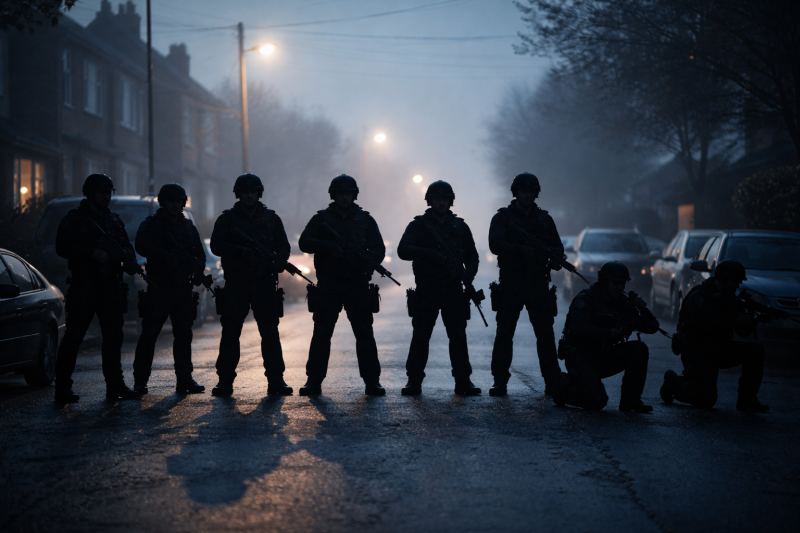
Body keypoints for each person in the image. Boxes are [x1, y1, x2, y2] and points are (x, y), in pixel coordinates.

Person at [53, 174, 143, 403]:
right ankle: (63, 387)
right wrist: (92, 253)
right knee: (74, 337)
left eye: (108, 193)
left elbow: (126, 246)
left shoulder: (113, 220)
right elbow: (62, 247)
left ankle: (115, 385)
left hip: (110, 288)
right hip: (85, 287)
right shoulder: (75, 219)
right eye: (102, 193)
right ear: (90, 194)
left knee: (114, 337)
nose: (106, 197)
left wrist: (129, 262)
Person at [297, 174, 386, 396]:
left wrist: (367, 264)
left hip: (357, 284)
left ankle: (372, 381)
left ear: (353, 195)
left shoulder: (365, 220)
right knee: (322, 333)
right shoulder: (321, 219)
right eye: (340, 194)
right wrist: (327, 246)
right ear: (333, 195)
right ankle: (314, 381)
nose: (344, 197)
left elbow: (378, 249)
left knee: (364, 333)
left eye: (347, 193)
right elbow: (304, 242)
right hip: (329, 284)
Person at [209, 173, 293, 396]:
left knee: (270, 332)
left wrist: (278, 259)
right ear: (238, 194)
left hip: (264, 283)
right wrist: (240, 250)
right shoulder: (227, 219)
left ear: (258, 193)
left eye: (253, 192)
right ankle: (225, 381)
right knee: (230, 332)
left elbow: (284, 246)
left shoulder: (271, 219)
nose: (249, 195)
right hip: (236, 283)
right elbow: (216, 245)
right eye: (245, 192)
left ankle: (276, 380)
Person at [397, 180, 481, 396]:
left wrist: (468, 275)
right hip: (427, 289)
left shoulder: (460, 227)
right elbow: (403, 250)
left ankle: (463, 381)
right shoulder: (418, 226)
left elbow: (472, 256)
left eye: (445, 199)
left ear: (450, 201)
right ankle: (414, 381)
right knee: (421, 335)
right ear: (430, 201)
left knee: (458, 336)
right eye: (437, 199)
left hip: (453, 290)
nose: (441, 203)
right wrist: (427, 253)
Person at [488, 172, 564, 396]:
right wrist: (519, 249)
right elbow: (495, 244)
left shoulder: (544, 219)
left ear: (536, 193)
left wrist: (556, 258)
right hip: (512, 282)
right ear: (516, 192)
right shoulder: (503, 218)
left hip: (538, 281)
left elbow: (557, 246)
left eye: (531, 191)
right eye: (523, 191)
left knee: (545, 334)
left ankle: (552, 381)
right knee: (504, 333)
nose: (527, 195)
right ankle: (500, 380)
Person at [660, 259, 768, 412]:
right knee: (706, 398)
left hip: (718, 349)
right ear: (723, 279)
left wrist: (752, 319)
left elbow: (742, 333)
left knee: (755, 350)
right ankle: (673, 382)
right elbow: (705, 325)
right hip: (697, 352)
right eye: (734, 281)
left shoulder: (729, 298)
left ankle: (747, 399)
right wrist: (734, 320)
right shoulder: (701, 296)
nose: (737, 286)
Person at [551, 262, 659, 412]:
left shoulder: (621, 303)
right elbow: (579, 329)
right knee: (597, 400)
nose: (620, 288)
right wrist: (608, 333)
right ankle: (562, 387)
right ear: (604, 281)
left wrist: (642, 309)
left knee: (639, 349)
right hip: (582, 358)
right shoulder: (586, 300)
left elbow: (652, 327)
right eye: (616, 283)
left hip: (603, 356)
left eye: (622, 284)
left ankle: (631, 400)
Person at [132, 183, 206, 395]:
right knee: (150, 334)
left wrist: (196, 270)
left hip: (182, 289)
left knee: (184, 335)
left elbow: (200, 254)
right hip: (160, 287)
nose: (175, 205)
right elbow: (141, 245)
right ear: (163, 202)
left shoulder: (188, 227)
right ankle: (140, 380)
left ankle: (185, 379)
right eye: (171, 201)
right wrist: (165, 256)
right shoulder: (152, 225)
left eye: (178, 201)